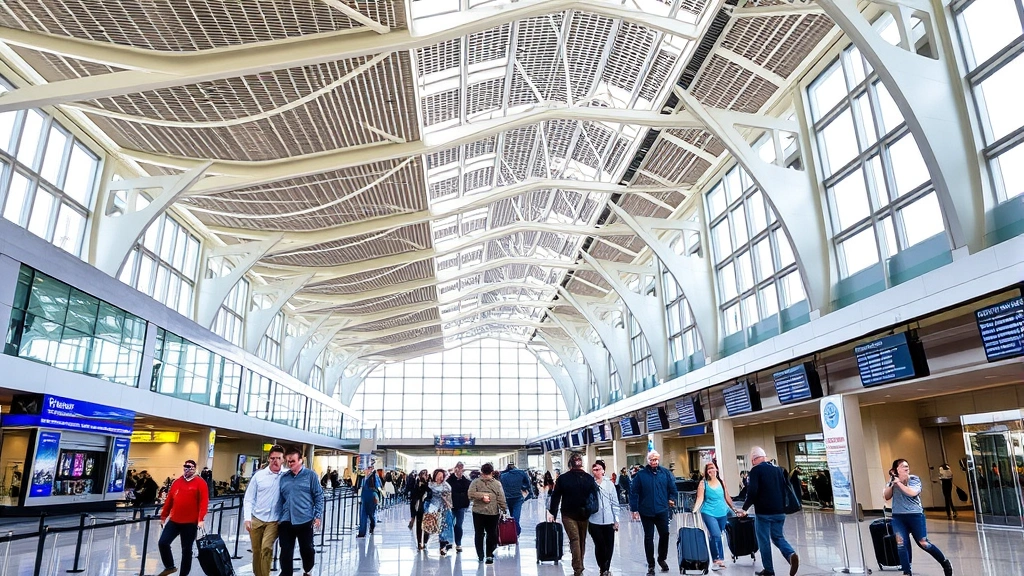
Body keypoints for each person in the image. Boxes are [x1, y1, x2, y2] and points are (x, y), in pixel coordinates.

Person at [884, 459, 954, 576]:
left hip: (915, 515)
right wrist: (892, 483)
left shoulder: (914, 479)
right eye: (902, 466)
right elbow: (886, 496)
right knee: (901, 543)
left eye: (907, 466)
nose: (906, 468)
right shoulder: (892, 482)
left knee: (923, 543)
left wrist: (899, 483)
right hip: (898, 517)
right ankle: (907, 572)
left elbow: (912, 493)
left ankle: (944, 562)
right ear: (895, 470)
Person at [741, 447, 799, 576]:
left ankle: (769, 570)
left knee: (764, 540)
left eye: (752, 461)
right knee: (778, 537)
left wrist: (744, 508)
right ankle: (790, 554)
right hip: (780, 511)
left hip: (764, 512)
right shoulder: (778, 469)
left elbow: (752, 491)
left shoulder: (756, 470)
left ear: (755, 459)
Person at [548, 452, 599, 576]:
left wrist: (553, 513)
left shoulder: (563, 478)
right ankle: (579, 565)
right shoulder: (588, 478)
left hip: (568, 514)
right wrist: (593, 510)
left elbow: (556, 496)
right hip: (584, 513)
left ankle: (578, 569)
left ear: (570, 464)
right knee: (582, 540)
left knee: (574, 539)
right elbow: (595, 496)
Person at [156, 459, 209, 576]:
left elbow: (204, 502)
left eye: (190, 467)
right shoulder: (177, 482)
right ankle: (169, 566)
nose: (187, 469)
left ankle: (183, 574)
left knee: (186, 550)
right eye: (185, 466)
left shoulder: (200, 483)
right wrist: (164, 516)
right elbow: (169, 500)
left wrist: (201, 519)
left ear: (194, 468)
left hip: (190, 522)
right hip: (174, 520)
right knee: (163, 542)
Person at [629, 450, 678, 576]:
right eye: (651, 460)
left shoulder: (666, 473)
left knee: (665, 534)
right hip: (646, 511)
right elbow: (634, 492)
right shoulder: (641, 475)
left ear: (658, 460)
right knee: (649, 537)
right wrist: (634, 509)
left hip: (662, 510)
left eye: (656, 459)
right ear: (648, 460)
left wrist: (672, 499)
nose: (654, 462)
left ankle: (662, 559)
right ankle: (651, 565)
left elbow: (673, 488)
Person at [278, 447, 324, 576]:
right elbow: (280, 498)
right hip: (286, 520)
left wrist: (317, 515)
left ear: (300, 460)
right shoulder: (284, 478)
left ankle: (308, 569)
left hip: (304, 518)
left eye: (292, 461)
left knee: (307, 549)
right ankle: (286, 573)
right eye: (288, 461)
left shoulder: (310, 476)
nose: (289, 464)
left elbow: (319, 496)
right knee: (286, 550)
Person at [693, 461, 742, 571]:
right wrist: (695, 510)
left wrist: (734, 509)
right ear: (706, 472)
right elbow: (700, 498)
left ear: (717, 470)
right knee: (716, 534)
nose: (711, 470)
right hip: (708, 512)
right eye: (708, 469)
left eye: (712, 468)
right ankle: (718, 559)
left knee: (715, 535)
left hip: (722, 512)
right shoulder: (703, 483)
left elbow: (727, 497)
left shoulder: (721, 482)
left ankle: (716, 560)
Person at [243, 444, 284, 576]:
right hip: (257, 519)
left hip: (274, 521)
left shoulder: (286, 476)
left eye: (278, 458)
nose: (275, 461)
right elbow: (249, 498)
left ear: (283, 460)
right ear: (268, 459)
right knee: (256, 551)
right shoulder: (259, 476)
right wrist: (247, 518)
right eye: (272, 458)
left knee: (266, 547)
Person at [467, 462, 507, 564]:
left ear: (482, 471)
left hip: (478, 512)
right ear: (492, 472)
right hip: (492, 512)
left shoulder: (475, 482)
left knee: (479, 534)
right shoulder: (497, 484)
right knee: (491, 534)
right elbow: (501, 498)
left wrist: (481, 496)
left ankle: (480, 554)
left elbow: (470, 494)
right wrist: (504, 509)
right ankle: (489, 555)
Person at [588, 459, 621, 576]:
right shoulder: (590, 484)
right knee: (599, 544)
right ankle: (602, 566)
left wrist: (616, 519)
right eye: (594, 470)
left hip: (608, 520)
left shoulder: (609, 484)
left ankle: (606, 567)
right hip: (594, 520)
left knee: (609, 545)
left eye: (598, 469)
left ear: (603, 470)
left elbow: (615, 503)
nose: (596, 472)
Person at [499, 462, 532, 535]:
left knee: (511, 514)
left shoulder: (502, 475)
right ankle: (516, 532)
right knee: (516, 517)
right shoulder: (521, 473)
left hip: (507, 498)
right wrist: (522, 487)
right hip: (517, 498)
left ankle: (514, 530)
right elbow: (527, 484)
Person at [428, 468, 455, 555]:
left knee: (444, 526)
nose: (439, 478)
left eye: (441, 476)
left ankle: (443, 545)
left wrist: (447, 502)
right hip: (433, 508)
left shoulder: (446, 486)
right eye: (437, 476)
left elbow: (449, 497)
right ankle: (430, 543)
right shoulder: (430, 485)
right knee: (434, 527)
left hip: (444, 508)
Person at [447, 462, 472, 553]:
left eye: (461, 469)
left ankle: (458, 543)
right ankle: (449, 542)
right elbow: (448, 487)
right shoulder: (450, 479)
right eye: (458, 469)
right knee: (449, 523)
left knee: (458, 525)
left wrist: (461, 478)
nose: (459, 471)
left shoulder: (465, 480)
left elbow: (467, 488)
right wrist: (454, 476)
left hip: (461, 505)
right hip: (451, 505)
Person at [357, 464, 380, 537]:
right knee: (365, 514)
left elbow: (378, 488)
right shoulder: (364, 478)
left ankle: (370, 527)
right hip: (367, 497)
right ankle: (363, 532)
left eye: (367, 468)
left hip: (370, 497)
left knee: (369, 514)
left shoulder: (373, 477)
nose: (366, 470)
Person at [411, 470, 432, 550]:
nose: (424, 476)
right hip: (419, 508)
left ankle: (425, 542)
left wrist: (425, 486)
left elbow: (430, 495)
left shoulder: (430, 485)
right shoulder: (416, 484)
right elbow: (414, 497)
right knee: (419, 526)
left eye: (425, 475)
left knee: (427, 526)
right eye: (422, 475)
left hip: (427, 508)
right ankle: (419, 542)